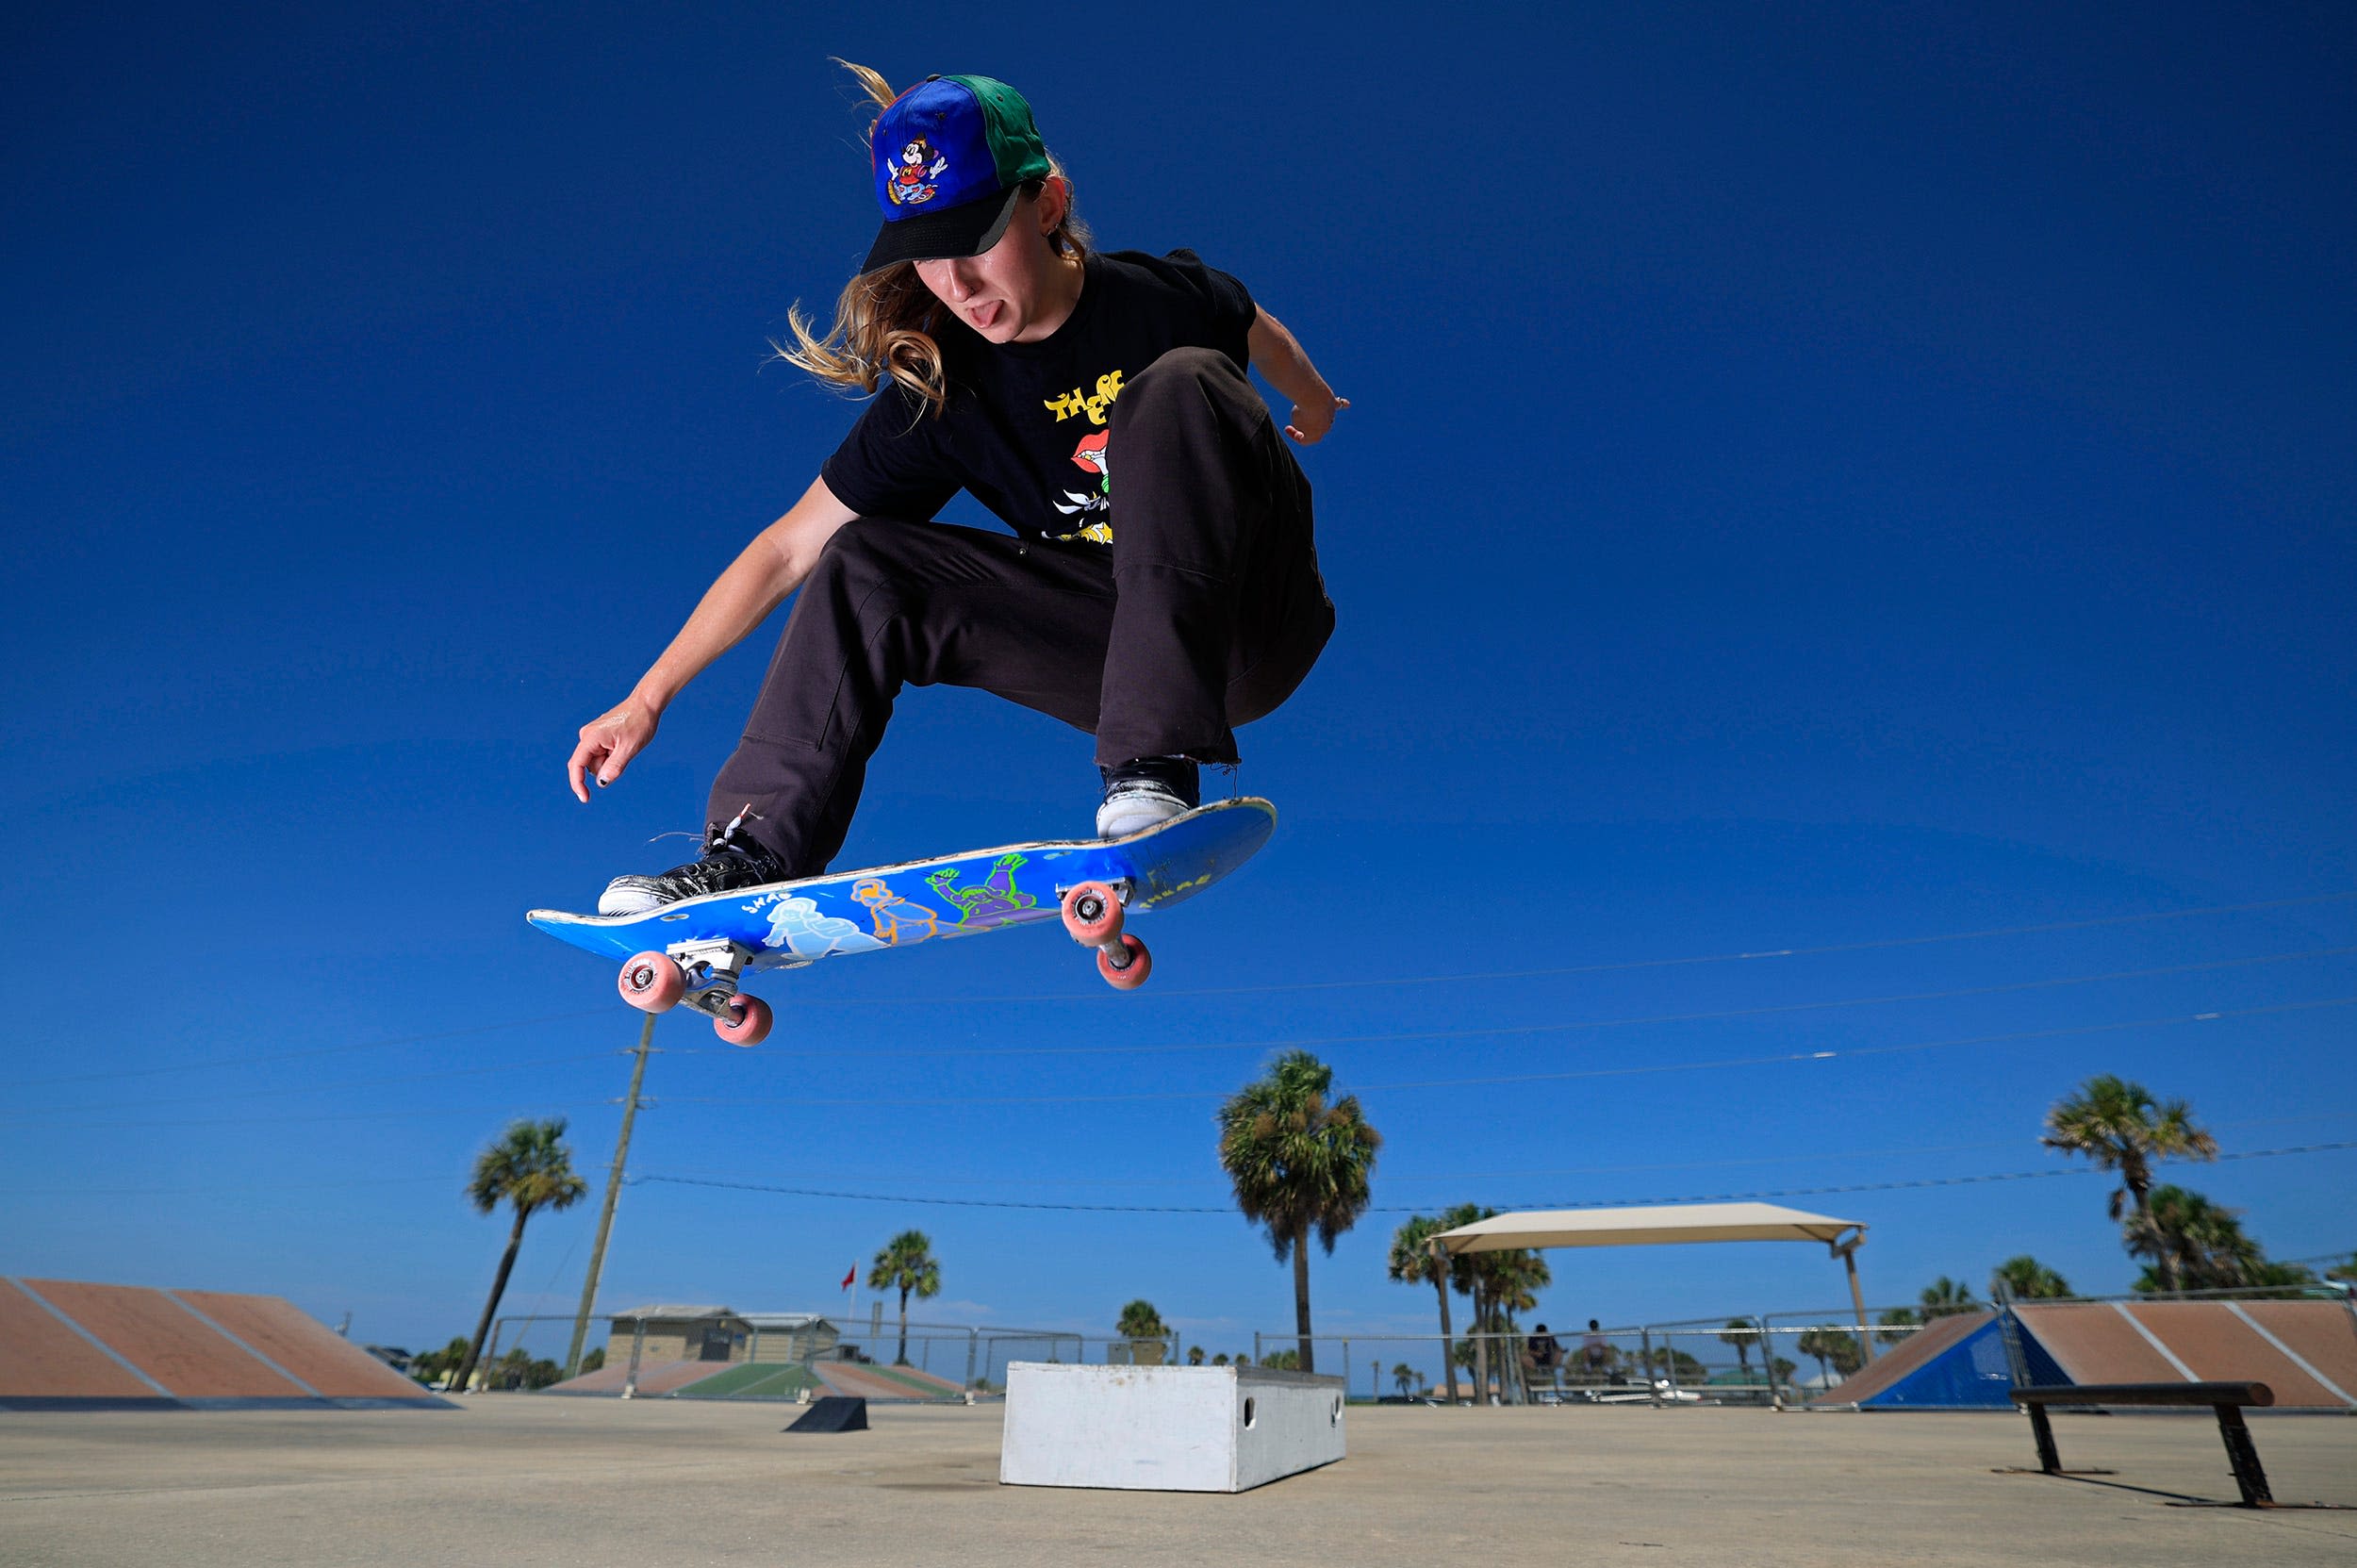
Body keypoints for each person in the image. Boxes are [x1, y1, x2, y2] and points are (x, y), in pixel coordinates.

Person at [569, 65, 1344, 913]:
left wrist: (1310, 400)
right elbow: (791, 545)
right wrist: (646, 697)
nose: (958, 288)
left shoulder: (1163, 300)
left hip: (1258, 612)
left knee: (1173, 387)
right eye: (927, 259)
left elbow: (1257, 328)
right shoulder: (945, 394)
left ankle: (1154, 768)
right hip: (1118, 643)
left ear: (1047, 203)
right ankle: (756, 856)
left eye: (976, 242)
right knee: (864, 560)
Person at [1525, 1322, 1562, 1395]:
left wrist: (1562, 1350)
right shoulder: (1532, 1338)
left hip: (1549, 1359)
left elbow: (1557, 1348)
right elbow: (1529, 1351)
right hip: (1536, 1360)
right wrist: (1537, 1354)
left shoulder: (1550, 1337)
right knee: (1524, 1358)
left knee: (1559, 1354)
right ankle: (1537, 1370)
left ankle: (1551, 1369)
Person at [1581, 1318, 1612, 1385]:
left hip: (1601, 1357)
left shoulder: (1601, 1335)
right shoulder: (1586, 1336)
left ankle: (1606, 1369)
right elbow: (1585, 1348)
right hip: (1591, 1357)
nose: (1594, 1329)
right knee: (1585, 1351)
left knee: (1606, 1351)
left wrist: (1595, 1345)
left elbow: (1605, 1347)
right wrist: (1597, 1345)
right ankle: (1588, 1370)